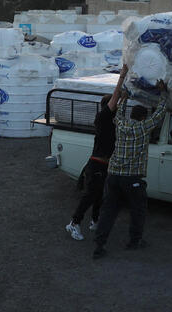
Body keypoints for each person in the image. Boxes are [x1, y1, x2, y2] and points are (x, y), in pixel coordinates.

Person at [92, 65, 168, 259]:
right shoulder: (143, 128)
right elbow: (160, 113)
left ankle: (99, 244)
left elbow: (119, 111)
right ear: (142, 117)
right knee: (138, 210)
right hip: (132, 179)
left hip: (113, 175)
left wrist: (124, 97)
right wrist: (163, 92)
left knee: (108, 211)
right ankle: (135, 241)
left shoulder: (120, 124)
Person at [65, 67, 127, 241]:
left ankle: (95, 220)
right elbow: (114, 99)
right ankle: (74, 223)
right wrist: (122, 76)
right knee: (90, 195)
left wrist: (125, 98)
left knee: (100, 194)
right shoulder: (102, 118)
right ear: (108, 107)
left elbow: (118, 104)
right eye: (113, 105)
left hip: (104, 165)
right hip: (97, 164)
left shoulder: (112, 121)